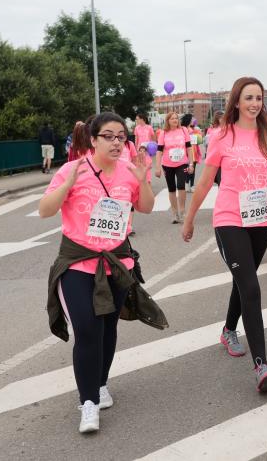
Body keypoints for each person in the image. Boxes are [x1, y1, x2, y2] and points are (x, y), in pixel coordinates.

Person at [39, 112, 165, 434]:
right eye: (107, 136)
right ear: (93, 140)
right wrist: (66, 185)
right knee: (87, 330)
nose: (115, 142)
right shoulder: (73, 170)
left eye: (120, 136)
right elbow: (45, 210)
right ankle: (89, 403)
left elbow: (147, 207)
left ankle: (102, 383)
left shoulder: (128, 171)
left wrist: (142, 179)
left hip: (117, 263)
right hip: (78, 263)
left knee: (108, 329)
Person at [182, 76, 267, 392]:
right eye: (249, 98)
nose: (255, 103)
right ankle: (262, 366)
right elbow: (204, 183)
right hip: (230, 219)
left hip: (260, 218)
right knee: (251, 288)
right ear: (237, 102)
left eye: (259, 97)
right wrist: (189, 221)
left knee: (245, 280)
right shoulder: (221, 136)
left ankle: (229, 328)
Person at [155, 111, 195, 223]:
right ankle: (174, 213)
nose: (175, 120)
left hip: (182, 163)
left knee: (181, 186)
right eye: (172, 118)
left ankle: (182, 211)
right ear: (168, 121)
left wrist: (191, 163)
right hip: (167, 164)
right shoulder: (163, 133)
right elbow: (159, 151)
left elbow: (189, 148)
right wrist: (157, 167)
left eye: (176, 118)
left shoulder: (183, 130)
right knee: (171, 188)